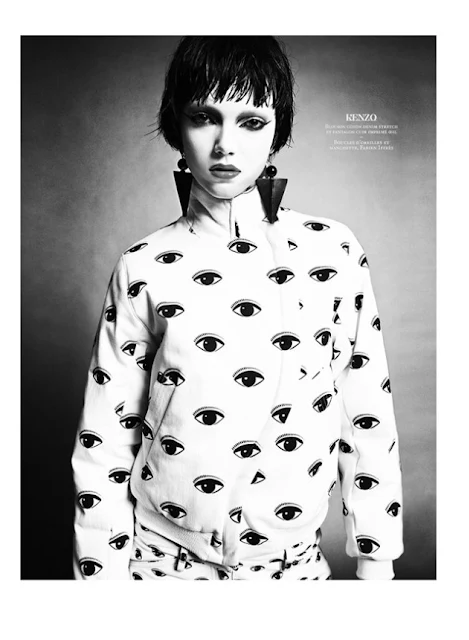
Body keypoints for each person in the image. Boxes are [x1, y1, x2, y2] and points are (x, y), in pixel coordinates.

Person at [71, 35, 404, 580]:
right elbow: (105, 439)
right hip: (160, 572)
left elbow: (366, 411)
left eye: (251, 121)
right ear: (176, 125)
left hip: (293, 575)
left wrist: (377, 563)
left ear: (277, 132)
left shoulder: (334, 252)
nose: (226, 144)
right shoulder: (143, 265)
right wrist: (99, 587)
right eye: (205, 117)